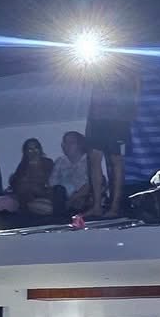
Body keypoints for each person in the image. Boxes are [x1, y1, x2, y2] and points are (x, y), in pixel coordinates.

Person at [85, 54, 140, 217]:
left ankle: (114, 207)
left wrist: (132, 108)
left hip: (117, 119)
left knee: (116, 160)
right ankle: (97, 206)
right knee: (94, 158)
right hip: (96, 117)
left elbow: (136, 82)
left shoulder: (125, 66)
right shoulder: (97, 64)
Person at [8, 136, 55, 218]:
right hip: (27, 196)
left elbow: (51, 180)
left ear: (40, 149)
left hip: (44, 193)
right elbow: (16, 182)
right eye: (30, 149)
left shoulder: (47, 162)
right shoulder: (23, 165)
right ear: (26, 152)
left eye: (36, 148)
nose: (33, 151)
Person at [50, 129, 91, 215]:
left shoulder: (89, 160)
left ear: (80, 145)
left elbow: (93, 184)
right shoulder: (60, 161)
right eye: (65, 143)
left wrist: (73, 198)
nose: (67, 146)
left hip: (82, 196)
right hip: (62, 198)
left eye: (71, 142)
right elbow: (52, 183)